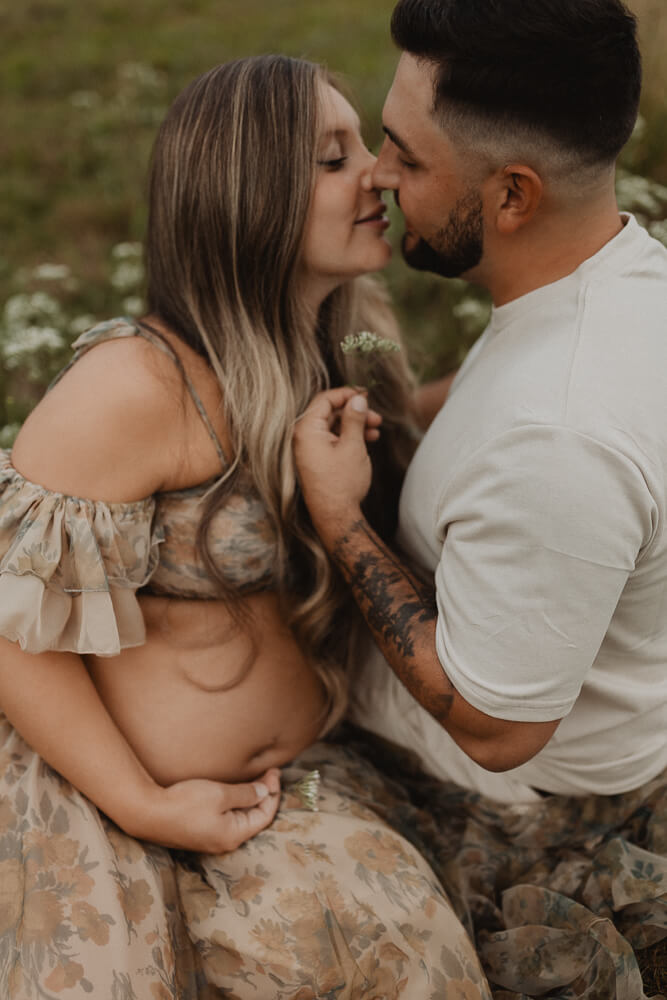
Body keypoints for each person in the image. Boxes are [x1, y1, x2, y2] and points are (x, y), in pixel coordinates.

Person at [0, 56, 493, 998]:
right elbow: (13, 632)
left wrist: (522, 363)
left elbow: (405, 435)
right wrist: (144, 802)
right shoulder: (135, 387)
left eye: (367, 149)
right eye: (332, 158)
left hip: (307, 770)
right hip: (119, 798)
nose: (378, 175)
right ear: (247, 193)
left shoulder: (336, 337)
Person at [293, 0, 667, 995]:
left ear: (510, 196)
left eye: (406, 160)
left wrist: (340, 520)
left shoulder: (560, 433)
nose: (375, 174)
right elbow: (504, 408)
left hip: (508, 808)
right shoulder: (612, 277)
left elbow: (495, 727)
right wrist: (401, 413)